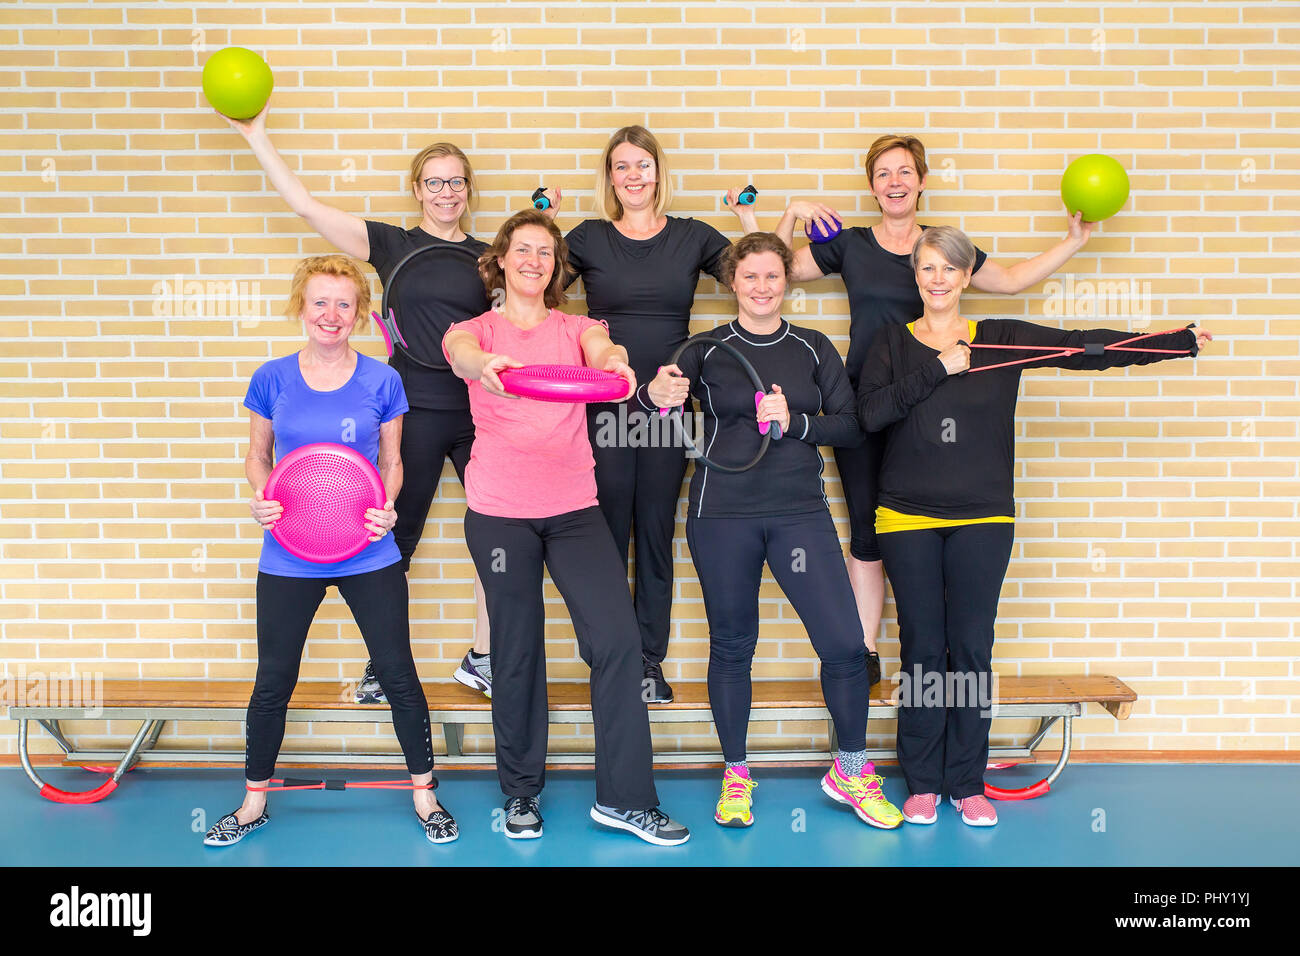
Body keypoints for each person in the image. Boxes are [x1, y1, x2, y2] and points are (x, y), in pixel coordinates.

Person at [857, 227, 1211, 826]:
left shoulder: (1002, 341)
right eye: (927, 268)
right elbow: (871, 414)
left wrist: (1175, 343)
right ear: (914, 276)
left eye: (949, 268)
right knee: (922, 650)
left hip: (984, 517)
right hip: (906, 516)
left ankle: (966, 783)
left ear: (968, 277)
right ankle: (921, 782)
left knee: (970, 649)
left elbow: (1081, 348)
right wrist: (941, 368)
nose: (937, 279)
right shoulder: (890, 342)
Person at [775, 133, 1099, 685]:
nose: (894, 182)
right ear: (872, 186)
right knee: (869, 530)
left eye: (904, 172)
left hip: (937, 405)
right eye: (882, 173)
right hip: (869, 404)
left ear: (922, 181)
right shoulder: (850, 244)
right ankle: (864, 650)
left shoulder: (944, 249)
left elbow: (1013, 279)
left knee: (927, 528)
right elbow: (771, 269)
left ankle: (942, 658)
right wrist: (789, 214)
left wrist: (1073, 241)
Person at [222, 105, 493, 702]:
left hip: (482, 414)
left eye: (455, 181)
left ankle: (485, 656)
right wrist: (257, 134)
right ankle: (382, 663)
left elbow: (537, 291)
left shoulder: (490, 254)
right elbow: (306, 207)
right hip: (412, 407)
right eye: (433, 181)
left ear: (467, 189)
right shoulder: (391, 243)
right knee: (393, 534)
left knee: (495, 532)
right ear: (417, 189)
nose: (445, 192)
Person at [442, 209, 690, 845]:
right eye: (522, 250)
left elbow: (606, 352)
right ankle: (521, 793)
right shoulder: (475, 329)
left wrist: (622, 369)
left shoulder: (579, 326)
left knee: (615, 643)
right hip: (500, 513)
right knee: (517, 651)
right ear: (501, 259)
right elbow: (462, 353)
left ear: (556, 267)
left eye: (545, 253)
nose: (533, 261)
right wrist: (484, 364)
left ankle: (625, 799)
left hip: (575, 509)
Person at [645, 233, 903, 830]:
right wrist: (654, 393)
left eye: (773, 277)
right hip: (721, 515)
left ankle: (852, 769)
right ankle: (736, 773)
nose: (762, 288)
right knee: (733, 647)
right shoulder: (704, 349)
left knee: (843, 644)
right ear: (732, 282)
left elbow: (851, 427)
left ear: (786, 282)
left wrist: (796, 422)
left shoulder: (812, 348)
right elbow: (652, 407)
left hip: (798, 515)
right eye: (750, 277)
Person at [204, 255, 456, 847]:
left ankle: (426, 796)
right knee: (274, 680)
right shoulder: (271, 377)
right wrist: (260, 496)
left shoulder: (381, 380)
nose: (332, 314)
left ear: (361, 313)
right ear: (301, 306)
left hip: (367, 549)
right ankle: (251, 803)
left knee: (397, 672)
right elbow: (257, 456)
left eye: (345, 303)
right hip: (289, 550)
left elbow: (392, 464)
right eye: (320, 301)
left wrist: (388, 505)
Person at [535, 126, 759, 702]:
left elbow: (756, 277)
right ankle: (609, 659)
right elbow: (534, 290)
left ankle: (648, 662)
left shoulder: (690, 238)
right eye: (621, 167)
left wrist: (745, 219)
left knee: (654, 533)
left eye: (642, 165)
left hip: (668, 407)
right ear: (610, 178)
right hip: (607, 406)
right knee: (605, 535)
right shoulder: (587, 238)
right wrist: (548, 226)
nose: (633, 176)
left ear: (658, 171)